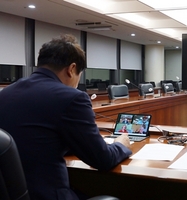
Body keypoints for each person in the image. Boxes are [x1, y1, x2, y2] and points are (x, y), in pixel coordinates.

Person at [0, 34, 132, 200]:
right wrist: (121, 145)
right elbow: (103, 160)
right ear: (71, 69)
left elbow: (34, 137)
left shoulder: (6, 93)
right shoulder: (71, 97)